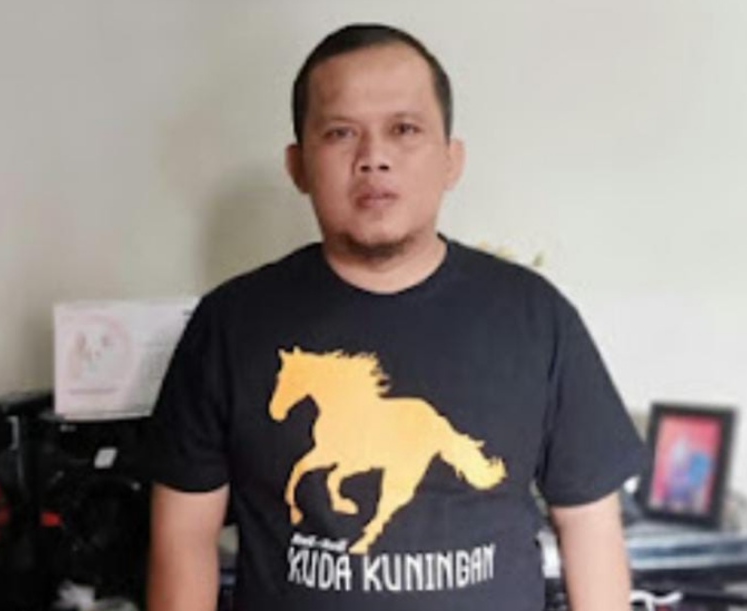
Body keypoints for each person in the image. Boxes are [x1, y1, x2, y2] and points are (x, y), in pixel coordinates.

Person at [147, 23, 647, 611]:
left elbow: (589, 525)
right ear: (298, 165)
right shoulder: (228, 325)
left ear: (451, 160)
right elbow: (184, 536)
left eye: (404, 129)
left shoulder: (537, 317)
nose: (373, 158)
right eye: (340, 133)